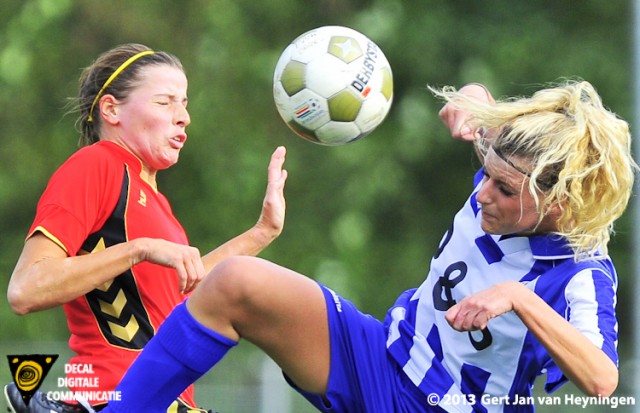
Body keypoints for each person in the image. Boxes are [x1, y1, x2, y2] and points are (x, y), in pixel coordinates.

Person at [102, 79, 635, 413]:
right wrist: (470, 99)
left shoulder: (583, 273)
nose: (484, 194)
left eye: (503, 189)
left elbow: (602, 379)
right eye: (485, 175)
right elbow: (477, 103)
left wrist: (518, 298)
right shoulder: (509, 168)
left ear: (560, 203)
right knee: (236, 283)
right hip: (381, 356)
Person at [4, 43, 287, 413]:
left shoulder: (154, 200)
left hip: (164, 401)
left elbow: (182, 294)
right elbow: (26, 289)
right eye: (165, 101)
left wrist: (261, 232)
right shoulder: (97, 165)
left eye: (184, 103)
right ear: (111, 109)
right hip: (116, 398)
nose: (183, 116)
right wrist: (138, 249)